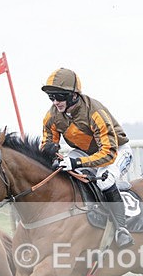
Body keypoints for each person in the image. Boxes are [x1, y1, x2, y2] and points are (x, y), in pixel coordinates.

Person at [40, 68, 135, 247]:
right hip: (84, 151)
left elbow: (108, 153)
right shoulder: (51, 116)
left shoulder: (95, 113)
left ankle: (122, 229)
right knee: (61, 173)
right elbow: (47, 143)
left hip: (116, 151)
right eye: (51, 97)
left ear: (73, 95)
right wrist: (49, 150)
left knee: (105, 181)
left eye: (59, 96)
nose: (55, 102)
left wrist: (76, 162)